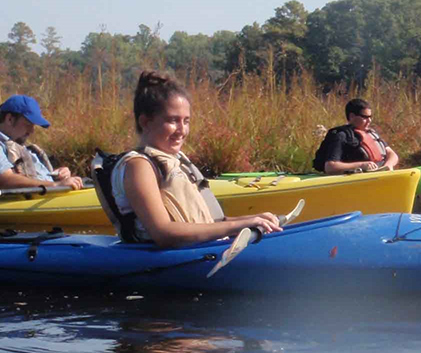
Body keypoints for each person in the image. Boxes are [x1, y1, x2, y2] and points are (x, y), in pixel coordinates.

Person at [93, 71, 281, 248]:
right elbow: (163, 232)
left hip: (200, 252)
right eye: (173, 120)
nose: (182, 130)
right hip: (164, 263)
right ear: (145, 122)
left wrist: (254, 219)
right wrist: (239, 227)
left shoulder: (176, 159)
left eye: (186, 121)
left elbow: (210, 224)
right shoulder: (138, 166)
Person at [0, 95, 86, 192]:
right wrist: (56, 185)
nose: (31, 131)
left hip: (45, 195)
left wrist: (58, 176)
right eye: (28, 124)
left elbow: (38, 178)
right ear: (9, 119)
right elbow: (6, 181)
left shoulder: (22, 148)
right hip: (22, 202)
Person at [312, 98, 399, 174]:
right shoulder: (340, 136)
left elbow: (392, 154)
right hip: (355, 180)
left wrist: (388, 165)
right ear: (352, 116)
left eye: (370, 117)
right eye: (365, 117)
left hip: (378, 175)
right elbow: (330, 167)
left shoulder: (371, 133)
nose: (369, 120)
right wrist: (361, 165)